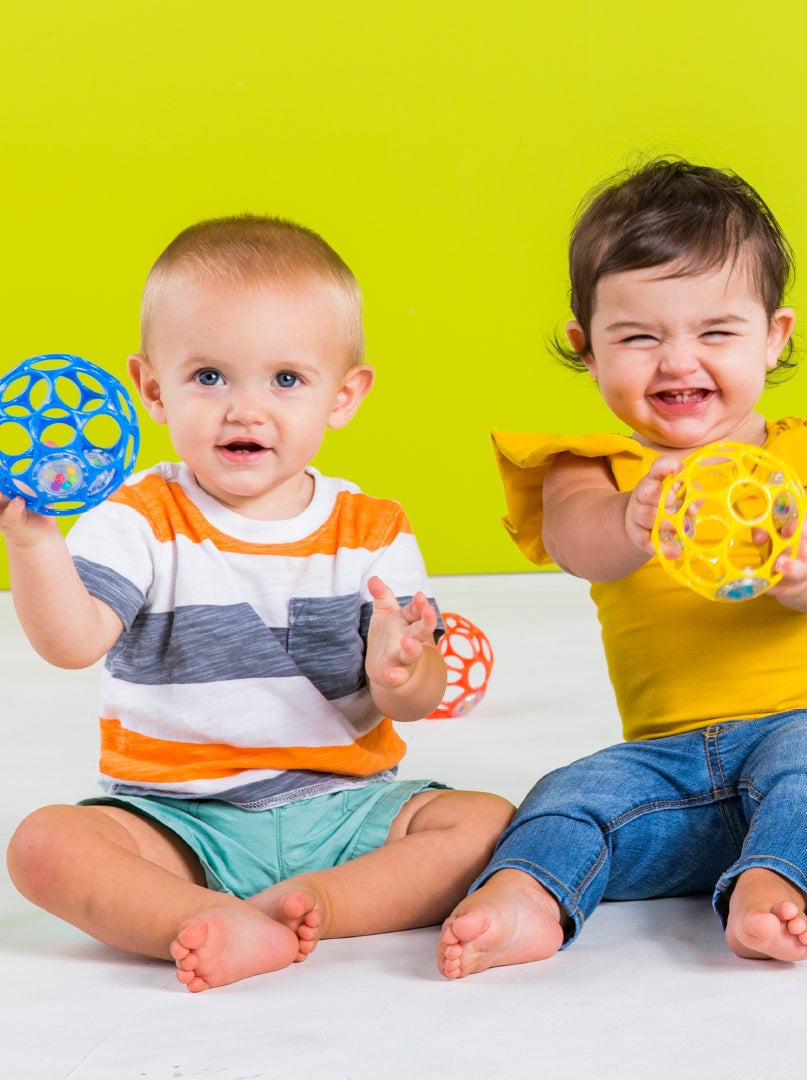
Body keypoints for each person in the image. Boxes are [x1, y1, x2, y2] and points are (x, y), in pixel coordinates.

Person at [1, 216, 514, 992]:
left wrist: (405, 669)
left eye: (285, 379)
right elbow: (73, 643)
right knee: (43, 844)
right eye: (209, 376)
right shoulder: (137, 517)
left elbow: (412, 701)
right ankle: (199, 916)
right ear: (150, 389)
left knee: (487, 823)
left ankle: (319, 905)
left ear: (344, 396)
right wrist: (37, 546)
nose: (246, 409)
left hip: (345, 809)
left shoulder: (373, 530)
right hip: (178, 824)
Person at [438, 158, 807, 975]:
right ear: (587, 348)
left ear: (775, 335)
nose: (678, 361)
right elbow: (583, 544)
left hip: (799, 732)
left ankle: (770, 883)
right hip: (662, 775)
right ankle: (529, 896)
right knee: (566, 793)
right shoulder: (594, 469)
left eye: (716, 332)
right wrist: (632, 520)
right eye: (640, 336)